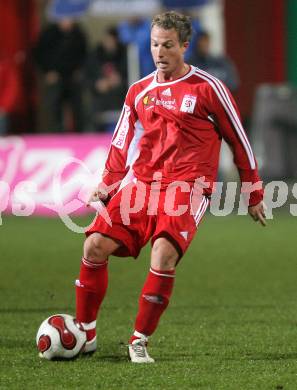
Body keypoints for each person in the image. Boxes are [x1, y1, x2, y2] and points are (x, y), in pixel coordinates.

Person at [75, 11, 266, 363]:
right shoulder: (138, 91)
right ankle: (83, 334)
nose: (159, 52)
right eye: (154, 45)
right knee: (94, 246)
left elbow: (238, 139)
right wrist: (107, 182)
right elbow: (121, 142)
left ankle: (139, 340)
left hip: (187, 188)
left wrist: (252, 191)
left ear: (184, 47)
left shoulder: (208, 88)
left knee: (163, 254)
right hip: (142, 185)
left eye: (167, 45)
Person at [34, 17, 87, 132]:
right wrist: (47, 72)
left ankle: (79, 135)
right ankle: (56, 135)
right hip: (55, 77)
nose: (68, 22)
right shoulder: (48, 34)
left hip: (73, 77)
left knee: (77, 108)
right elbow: (38, 54)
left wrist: (80, 70)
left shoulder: (78, 34)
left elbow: (85, 54)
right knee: (54, 108)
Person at [86, 27, 128, 132]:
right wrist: (97, 84)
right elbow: (87, 78)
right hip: (100, 99)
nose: (109, 43)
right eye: (106, 40)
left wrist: (121, 81)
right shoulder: (94, 55)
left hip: (120, 98)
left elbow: (133, 78)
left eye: (111, 40)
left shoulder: (126, 55)